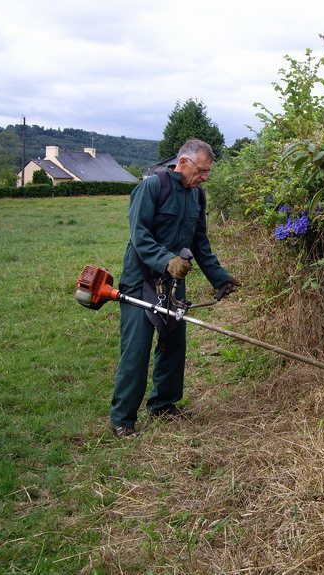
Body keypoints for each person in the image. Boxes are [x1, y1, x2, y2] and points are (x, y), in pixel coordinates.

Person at [109, 139, 241, 438]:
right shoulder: (152, 187)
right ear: (182, 163)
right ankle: (122, 419)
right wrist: (166, 260)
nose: (205, 177)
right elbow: (139, 236)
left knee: (173, 344)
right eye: (202, 170)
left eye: (208, 172)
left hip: (174, 281)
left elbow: (199, 241)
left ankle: (164, 405)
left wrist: (219, 276)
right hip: (140, 278)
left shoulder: (197, 196)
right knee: (137, 350)